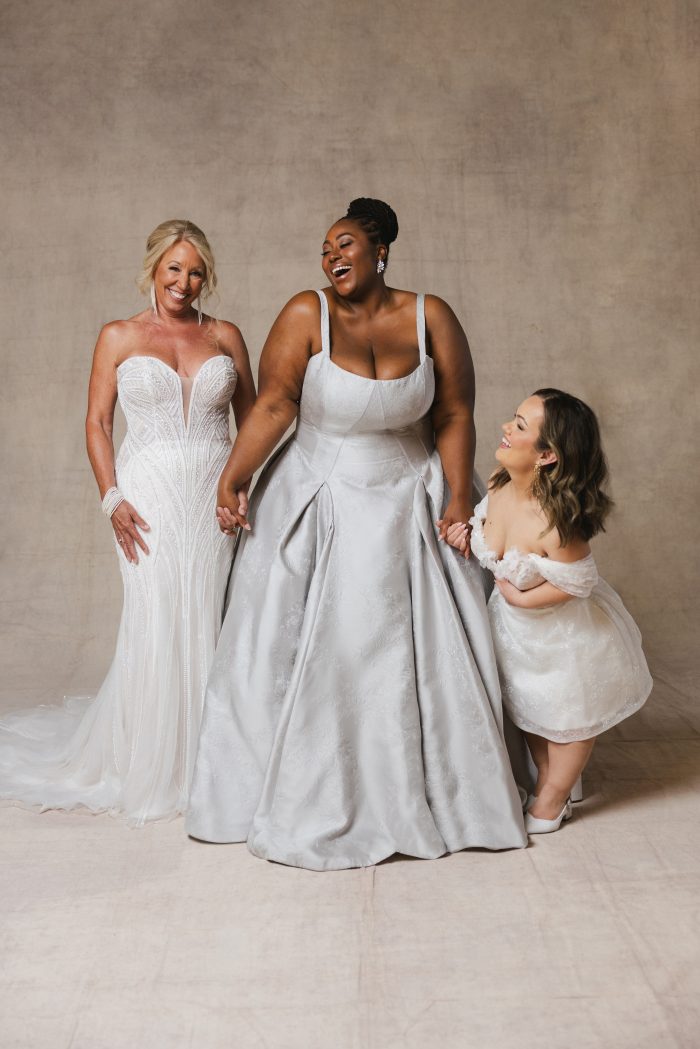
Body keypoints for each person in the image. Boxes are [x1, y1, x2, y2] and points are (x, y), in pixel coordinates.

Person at [186, 197, 527, 869]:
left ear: (380, 251)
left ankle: (443, 794)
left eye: (344, 244)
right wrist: (234, 476)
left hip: (411, 497)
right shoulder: (303, 313)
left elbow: (456, 410)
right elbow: (277, 402)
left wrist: (459, 497)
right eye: (324, 248)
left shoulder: (432, 317)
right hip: (318, 492)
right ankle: (282, 788)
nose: (332, 256)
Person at [0, 219, 256, 824]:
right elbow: (96, 422)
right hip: (147, 495)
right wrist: (110, 497)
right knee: (156, 614)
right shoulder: (118, 335)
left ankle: (213, 761)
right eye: (174, 269)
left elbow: (255, 423)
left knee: (209, 614)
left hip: (213, 497)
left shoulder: (226, 336)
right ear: (153, 269)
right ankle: (148, 760)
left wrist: (240, 488)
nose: (184, 282)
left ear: (206, 276)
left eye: (195, 272)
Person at [447, 388, 653, 833]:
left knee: (570, 720)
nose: (506, 427)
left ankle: (553, 800)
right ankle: (549, 786)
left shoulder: (555, 523)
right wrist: (469, 537)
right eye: (513, 418)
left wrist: (521, 598)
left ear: (546, 456)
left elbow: (578, 582)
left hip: (563, 639)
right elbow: (489, 535)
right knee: (531, 713)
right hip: (515, 635)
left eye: (520, 426)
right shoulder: (500, 485)